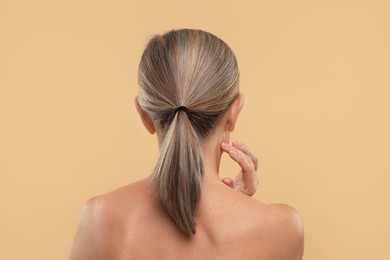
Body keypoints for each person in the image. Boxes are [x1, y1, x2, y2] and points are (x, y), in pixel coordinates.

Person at [69, 29, 304, 259]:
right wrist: (237, 206)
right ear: (234, 111)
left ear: (144, 115)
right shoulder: (283, 229)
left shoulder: (99, 219)